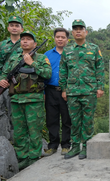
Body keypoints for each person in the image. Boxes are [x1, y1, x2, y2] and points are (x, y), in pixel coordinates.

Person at [0, 31, 52, 170]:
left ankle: (34, 160)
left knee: (34, 132)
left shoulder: (41, 58)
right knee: (18, 132)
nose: (25, 41)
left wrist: (32, 63)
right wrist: (3, 81)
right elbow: (4, 74)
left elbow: (47, 74)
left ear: (34, 44)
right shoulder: (13, 58)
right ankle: (22, 160)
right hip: (16, 100)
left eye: (28, 40)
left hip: (34, 100)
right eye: (23, 39)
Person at [59, 19, 105, 160]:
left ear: (86, 32)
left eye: (81, 29)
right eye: (75, 29)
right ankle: (75, 147)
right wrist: (64, 89)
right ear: (72, 33)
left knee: (88, 120)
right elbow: (63, 71)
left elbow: (100, 69)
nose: (78, 31)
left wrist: (100, 87)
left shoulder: (93, 48)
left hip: (89, 90)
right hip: (72, 91)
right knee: (74, 120)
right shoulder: (67, 50)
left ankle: (86, 146)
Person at [43, 28, 71, 156]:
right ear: (54, 38)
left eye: (63, 37)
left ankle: (66, 145)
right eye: (58, 37)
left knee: (67, 119)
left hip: (66, 92)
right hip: (50, 90)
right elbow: (42, 74)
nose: (60, 39)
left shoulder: (71, 54)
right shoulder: (47, 55)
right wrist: (43, 92)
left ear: (67, 39)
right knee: (51, 119)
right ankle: (53, 145)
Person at [0, 16, 24, 142]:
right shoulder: (2, 45)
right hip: (3, 83)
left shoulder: (25, 43)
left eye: (17, 25)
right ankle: (3, 140)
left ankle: (16, 142)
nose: (14, 28)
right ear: (8, 28)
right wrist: (0, 79)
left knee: (14, 113)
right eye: (12, 25)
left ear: (21, 28)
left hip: (18, 85)